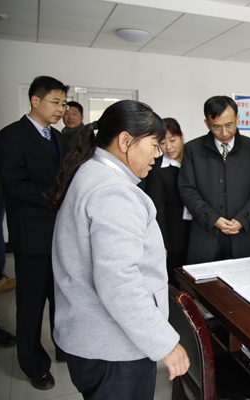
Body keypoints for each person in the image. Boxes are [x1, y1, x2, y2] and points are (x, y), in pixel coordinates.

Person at [47, 100, 189, 399]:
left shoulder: (91, 173)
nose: (157, 154)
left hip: (91, 340)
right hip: (113, 349)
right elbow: (119, 283)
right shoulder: (114, 192)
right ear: (125, 141)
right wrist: (165, 343)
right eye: (154, 144)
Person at [0, 76, 69, 390]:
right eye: (55, 102)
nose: (60, 109)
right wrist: (56, 195)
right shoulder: (10, 136)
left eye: (63, 103)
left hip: (62, 234)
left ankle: (64, 348)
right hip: (32, 235)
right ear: (35, 100)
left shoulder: (60, 138)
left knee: (62, 297)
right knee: (31, 303)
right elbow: (14, 185)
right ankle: (33, 363)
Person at [178, 96, 250, 263]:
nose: (224, 133)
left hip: (242, 234)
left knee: (242, 276)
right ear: (207, 124)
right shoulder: (193, 149)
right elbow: (187, 189)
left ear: (237, 119)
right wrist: (213, 219)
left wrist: (243, 219)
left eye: (229, 125)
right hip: (205, 234)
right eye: (216, 127)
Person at [146, 117, 191, 288]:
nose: (168, 147)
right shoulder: (157, 168)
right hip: (174, 235)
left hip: (199, 231)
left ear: (182, 136)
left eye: (172, 140)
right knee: (177, 281)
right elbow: (158, 208)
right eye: (162, 143)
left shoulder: (195, 160)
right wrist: (162, 243)